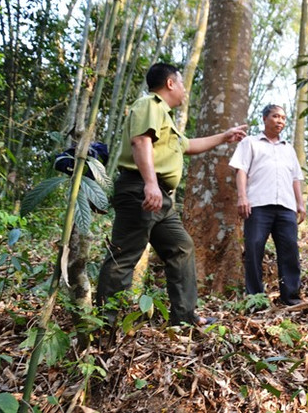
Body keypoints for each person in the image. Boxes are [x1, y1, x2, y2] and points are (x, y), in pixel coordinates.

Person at [96, 62, 247, 328]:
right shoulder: (149, 105)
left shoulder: (165, 118)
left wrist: (224, 137)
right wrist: (150, 183)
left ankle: (184, 317)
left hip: (160, 199)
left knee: (181, 247)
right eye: (181, 84)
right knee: (125, 255)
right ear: (169, 83)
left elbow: (188, 145)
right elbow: (140, 141)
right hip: (141, 190)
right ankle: (103, 325)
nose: (184, 90)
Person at [229, 104, 307, 306]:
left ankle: (291, 297)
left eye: (283, 118)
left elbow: (295, 178)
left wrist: (300, 204)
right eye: (275, 116)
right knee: (254, 249)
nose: (280, 121)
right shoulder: (250, 142)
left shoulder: (288, 148)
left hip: (286, 207)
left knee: (290, 251)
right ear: (265, 119)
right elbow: (241, 170)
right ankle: (255, 299)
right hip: (258, 205)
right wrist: (242, 196)